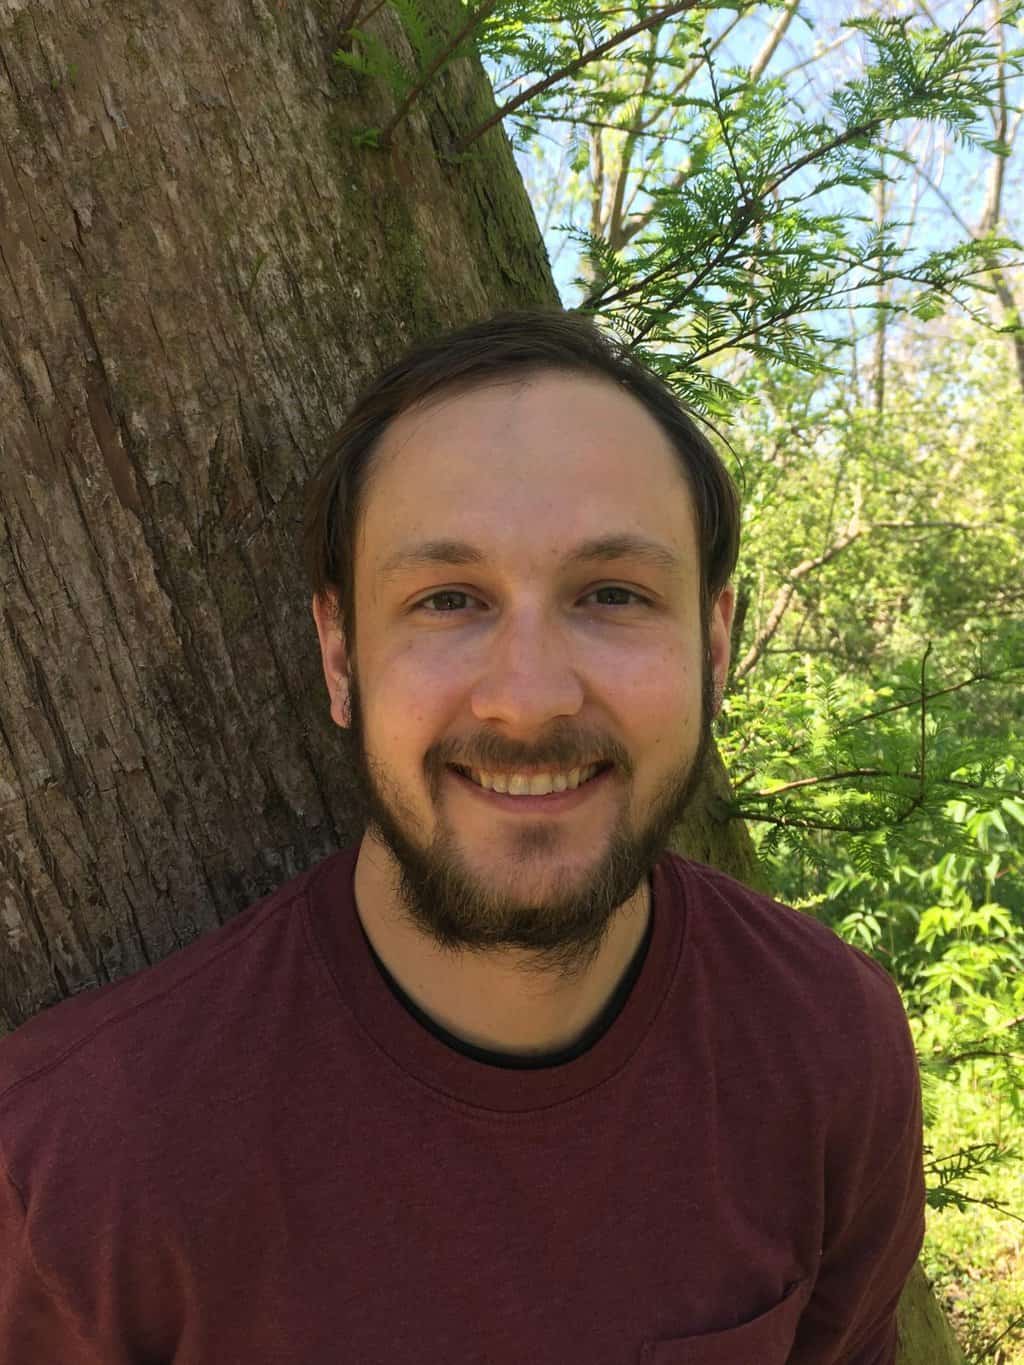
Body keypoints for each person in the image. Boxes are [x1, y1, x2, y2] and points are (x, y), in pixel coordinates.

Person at [0, 309, 924, 1364]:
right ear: (342, 657)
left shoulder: (826, 1044)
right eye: (448, 599)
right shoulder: (73, 1165)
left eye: (612, 594)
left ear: (712, 647)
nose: (527, 699)